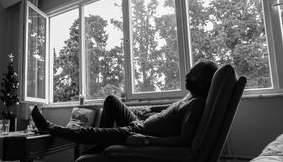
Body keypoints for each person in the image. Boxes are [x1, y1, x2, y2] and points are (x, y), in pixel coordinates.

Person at [31, 60, 218, 147]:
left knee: (90, 132)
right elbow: (173, 113)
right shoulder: (190, 97)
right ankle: (103, 142)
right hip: (140, 122)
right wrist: (152, 109)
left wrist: (145, 140)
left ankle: (48, 127)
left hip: (139, 132)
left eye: (193, 73)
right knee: (111, 100)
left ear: (205, 80)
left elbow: (184, 141)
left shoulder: (196, 105)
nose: (186, 75)